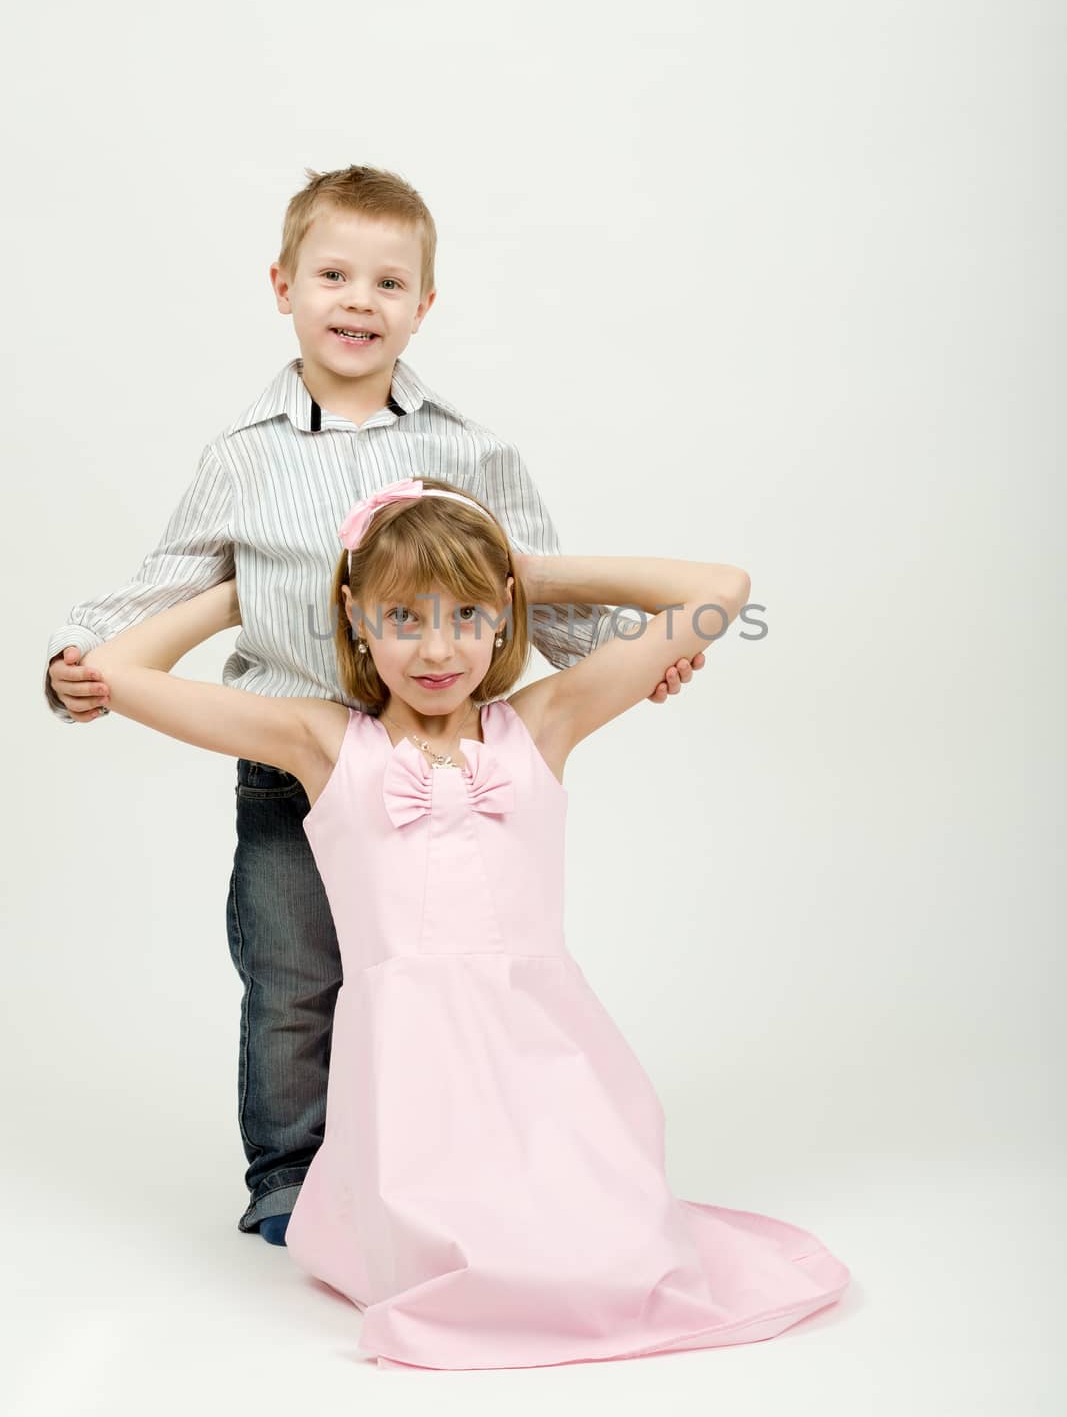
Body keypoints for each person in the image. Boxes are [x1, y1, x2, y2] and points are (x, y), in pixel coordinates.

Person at [43, 164, 702, 1243]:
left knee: (430, 974)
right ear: (283, 285)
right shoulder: (240, 459)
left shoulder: (468, 450)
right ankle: (290, 1181)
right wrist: (82, 661)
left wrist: (635, 652)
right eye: (334, 275)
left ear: (422, 305)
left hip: (433, 751)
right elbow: (170, 578)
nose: (358, 299)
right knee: (296, 977)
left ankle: (431, 1160)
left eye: (388, 281)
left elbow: (526, 579)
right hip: (294, 756)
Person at [78, 473, 851, 1372]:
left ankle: (562, 1210)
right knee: (463, 1258)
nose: (436, 647)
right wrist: (242, 591)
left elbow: (719, 590)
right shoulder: (321, 743)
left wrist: (524, 574)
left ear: (501, 618)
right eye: (403, 616)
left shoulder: (543, 720)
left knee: (604, 1253)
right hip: (410, 1084)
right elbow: (116, 673)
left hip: (545, 1064)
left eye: (466, 615)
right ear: (357, 620)